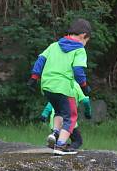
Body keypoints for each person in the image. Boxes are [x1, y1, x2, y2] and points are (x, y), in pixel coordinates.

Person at [27, 18, 92, 155]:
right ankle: (61, 146)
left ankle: (55, 134)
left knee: (59, 111)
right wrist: (84, 86)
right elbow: (78, 70)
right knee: (71, 117)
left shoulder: (54, 45)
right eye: (87, 41)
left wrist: (34, 78)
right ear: (83, 36)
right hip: (63, 87)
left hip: (47, 87)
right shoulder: (79, 50)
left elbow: (40, 60)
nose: (85, 44)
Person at [40, 85, 92, 150]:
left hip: (55, 122)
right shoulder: (75, 86)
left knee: (57, 138)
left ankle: (54, 141)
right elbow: (85, 101)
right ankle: (69, 149)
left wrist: (44, 114)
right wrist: (88, 113)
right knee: (77, 141)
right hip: (68, 120)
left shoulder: (59, 87)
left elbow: (51, 103)